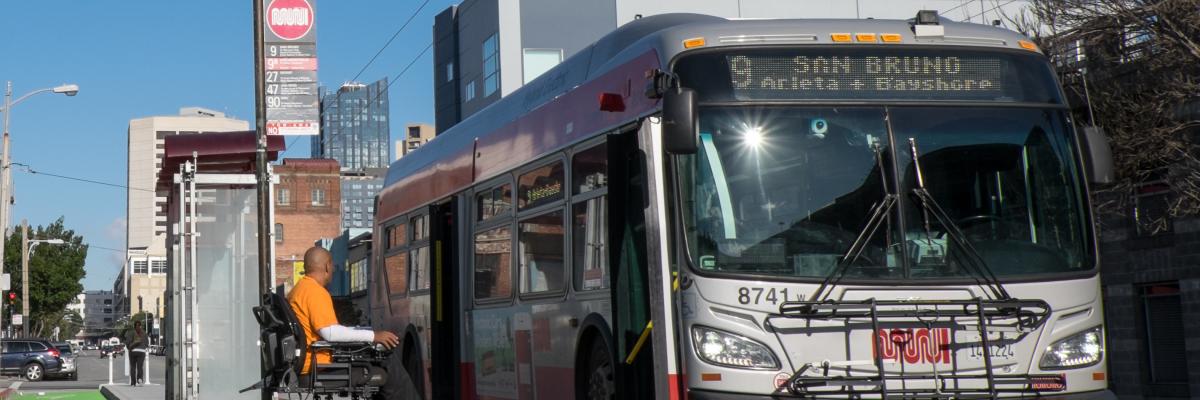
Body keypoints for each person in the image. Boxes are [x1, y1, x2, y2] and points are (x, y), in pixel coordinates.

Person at [288, 247, 405, 398]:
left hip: (308, 366)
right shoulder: (315, 292)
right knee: (387, 366)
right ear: (327, 266)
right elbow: (330, 332)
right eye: (333, 266)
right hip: (317, 368)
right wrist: (373, 336)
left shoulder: (299, 289)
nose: (334, 269)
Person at [125, 321, 148, 386]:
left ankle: (133, 382)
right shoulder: (144, 333)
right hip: (141, 352)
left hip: (133, 351)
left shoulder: (131, 332)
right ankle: (139, 379)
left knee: (133, 367)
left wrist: (129, 348)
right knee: (140, 367)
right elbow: (146, 344)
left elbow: (127, 342)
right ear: (140, 326)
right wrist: (142, 347)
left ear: (134, 326)